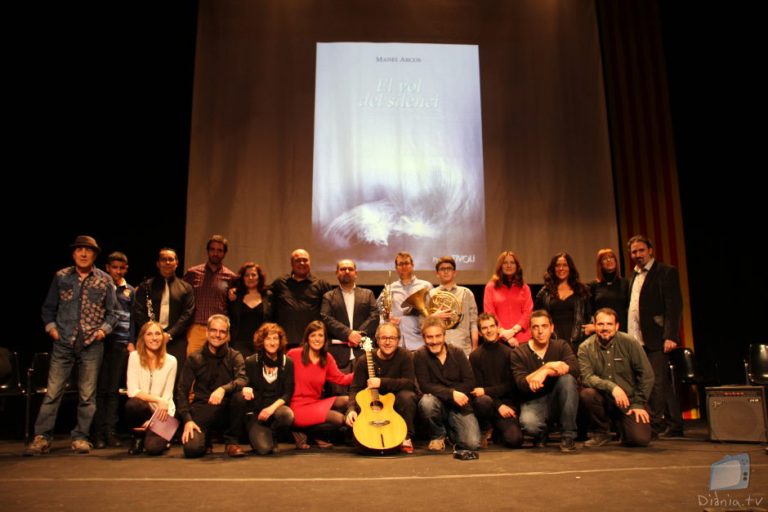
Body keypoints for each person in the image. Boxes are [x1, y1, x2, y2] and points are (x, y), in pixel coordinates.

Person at [26, 235, 119, 456]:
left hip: (91, 343)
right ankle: (42, 437)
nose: (84, 254)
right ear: (73, 253)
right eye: (80, 250)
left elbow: (114, 313)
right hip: (64, 342)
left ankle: (80, 437)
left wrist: (101, 332)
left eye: (88, 250)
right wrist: (52, 329)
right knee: (53, 392)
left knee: (87, 394)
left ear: (95, 255)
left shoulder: (104, 280)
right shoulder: (61, 277)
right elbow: (48, 308)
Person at [627, 234, 684, 437]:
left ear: (650, 250)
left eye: (641, 250)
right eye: (634, 252)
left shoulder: (666, 272)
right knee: (662, 382)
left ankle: (654, 425)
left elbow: (674, 306)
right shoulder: (633, 275)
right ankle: (675, 423)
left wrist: (671, 336)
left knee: (656, 381)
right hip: (637, 337)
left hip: (658, 337)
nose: (638, 255)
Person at [578, 308, 654, 447]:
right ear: (594, 325)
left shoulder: (629, 342)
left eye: (609, 324)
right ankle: (601, 432)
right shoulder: (585, 347)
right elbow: (587, 378)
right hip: (603, 400)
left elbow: (647, 375)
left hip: (629, 401)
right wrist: (612, 387)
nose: (605, 328)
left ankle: (622, 427)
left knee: (639, 439)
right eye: (600, 324)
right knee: (587, 394)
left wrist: (638, 403)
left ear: (617, 326)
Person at [177, 314, 247, 458]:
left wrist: (223, 389)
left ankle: (231, 442)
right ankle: (206, 439)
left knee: (240, 396)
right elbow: (182, 391)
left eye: (222, 331)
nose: (217, 335)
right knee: (192, 450)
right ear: (207, 332)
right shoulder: (194, 358)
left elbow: (242, 379)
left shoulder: (235, 356)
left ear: (227, 335)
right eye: (214, 330)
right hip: (203, 408)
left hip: (227, 409)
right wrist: (188, 420)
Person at [510, 310, 580, 452]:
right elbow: (521, 384)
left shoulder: (561, 346)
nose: (540, 331)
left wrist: (547, 372)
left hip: (558, 399)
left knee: (567, 380)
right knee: (530, 424)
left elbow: (574, 369)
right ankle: (542, 432)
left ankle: (568, 436)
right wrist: (547, 366)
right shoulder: (519, 352)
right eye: (535, 327)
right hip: (533, 401)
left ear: (551, 328)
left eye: (544, 326)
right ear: (530, 329)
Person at [345, 323, 418, 453]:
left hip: (395, 406)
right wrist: (350, 409)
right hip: (370, 408)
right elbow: (355, 388)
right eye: (384, 338)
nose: (388, 342)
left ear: (398, 340)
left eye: (392, 338)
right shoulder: (363, 360)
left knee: (408, 396)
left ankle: (406, 437)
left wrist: (381, 382)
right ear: (377, 340)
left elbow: (409, 383)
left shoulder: (406, 356)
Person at [415, 317, 481, 452]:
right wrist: (451, 394)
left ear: (444, 336)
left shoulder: (458, 352)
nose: (434, 341)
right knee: (427, 402)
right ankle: (438, 435)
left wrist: (453, 395)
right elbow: (425, 386)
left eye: (438, 336)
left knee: (472, 444)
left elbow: (469, 382)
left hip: (459, 406)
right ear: (423, 338)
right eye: (429, 337)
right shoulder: (419, 356)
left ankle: (450, 432)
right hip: (436, 404)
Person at [287, 321, 353, 448]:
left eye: (320, 335)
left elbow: (342, 379)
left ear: (325, 339)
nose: (317, 339)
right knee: (339, 419)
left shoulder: (327, 358)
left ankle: (308, 433)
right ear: (307, 338)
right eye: (313, 335)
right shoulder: (294, 354)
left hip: (315, 403)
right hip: (297, 406)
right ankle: (304, 431)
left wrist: (361, 372)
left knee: (348, 400)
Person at [231, 323, 295, 455]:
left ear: (280, 341)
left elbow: (287, 393)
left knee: (287, 415)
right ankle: (260, 435)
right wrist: (245, 389)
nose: (272, 343)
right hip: (256, 413)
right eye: (268, 339)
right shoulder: (251, 361)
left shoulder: (287, 362)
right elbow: (243, 383)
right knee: (264, 449)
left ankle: (273, 434)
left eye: (275, 339)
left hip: (275, 410)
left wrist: (271, 409)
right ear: (262, 341)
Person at [94, 251, 135, 449]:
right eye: (114, 268)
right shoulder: (100, 287)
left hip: (121, 343)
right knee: (99, 389)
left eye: (121, 268)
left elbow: (133, 318)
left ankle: (110, 431)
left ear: (126, 269)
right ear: (107, 268)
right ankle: (97, 432)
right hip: (101, 342)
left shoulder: (130, 291)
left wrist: (131, 341)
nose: (117, 271)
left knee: (113, 390)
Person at [133, 248, 195, 379]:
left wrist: (169, 335)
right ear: (158, 263)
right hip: (149, 338)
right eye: (163, 259)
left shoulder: (186, 288)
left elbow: (187, 314)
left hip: (175, 339)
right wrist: (152, 333)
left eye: (171, 259)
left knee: (175, 377)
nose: (167, 262)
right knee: (147, 375)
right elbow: (138, 311)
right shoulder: (146, 286)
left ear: (176, 263)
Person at [321, 259, 379, 385]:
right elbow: (326, 318)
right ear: (337, 273)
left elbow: (375, 316)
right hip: (338, 353)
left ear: (356, 273)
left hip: (364, 351)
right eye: (342, 269)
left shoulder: (368, 294)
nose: (347, 271)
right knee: (339, 394)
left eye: (350, 269)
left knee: (366, 393)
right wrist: (348, 334)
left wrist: (358, 336)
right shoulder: (328, 296)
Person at [470, 313, 523, 448]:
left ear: (498, 328)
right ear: (480, 333)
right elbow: (478, 389)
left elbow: (511, 385)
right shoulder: (475, 356)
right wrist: (497, 405)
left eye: (492, 326)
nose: (489, 330)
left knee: (515, 440)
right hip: (487, 406)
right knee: (483, 400)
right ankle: (486, 427)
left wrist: (501, 404)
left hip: (506, 405)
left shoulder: (509, 353)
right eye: (484, 328)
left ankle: (498, 430)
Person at [124, 320, 178, 455]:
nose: (154, 338)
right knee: (133, 404)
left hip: (162, 413)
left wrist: (153, 421)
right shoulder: (134, 357)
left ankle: (159, 436)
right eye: (149, 334)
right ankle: (138, 437)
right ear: (143, 338)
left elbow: (167, 396)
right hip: (144, 410)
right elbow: (132, 391)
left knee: (154, 448)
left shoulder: (171, 361)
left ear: (163, 336)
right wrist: (157, 400)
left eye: (157, 334)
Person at [183, 235, 237, 356]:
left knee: (219, 367)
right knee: (194, 365)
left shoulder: (231, 277)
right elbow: (182, 296)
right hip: (197, 327)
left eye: (219, 250)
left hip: (220, 331)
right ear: (208, 251)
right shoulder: (193, 273)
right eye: (212, 249)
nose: (215, 253)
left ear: (224, 253)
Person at [270, 249, 333, 347]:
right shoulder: (279, 284)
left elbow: (328, 315)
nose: (302, 263)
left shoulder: (321, 285)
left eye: (305, 260)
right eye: (298, 260)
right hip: (285, 342)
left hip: (312, 342)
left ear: (310, 262)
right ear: (291, 263)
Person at [535, 252, 591, 351]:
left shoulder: (582, 290)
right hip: (552, 343)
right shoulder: (545, 292)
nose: (561, 268)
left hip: (578, 343)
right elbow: (536, 317)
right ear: (553, 268)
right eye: (558, 265)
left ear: (570, 268)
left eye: (565, 265)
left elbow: (590, 315)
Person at [380, 251, 433, 351]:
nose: (404, 266)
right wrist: (387, 321)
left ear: (412, 265)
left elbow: (432, 310)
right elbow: (380, 313)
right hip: (397, 342)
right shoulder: (389, 288)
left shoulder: (426, 286)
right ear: (396, 268)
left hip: (420, 341)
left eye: (406, 263)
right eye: (400, 264)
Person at [427, 256, 478, 357]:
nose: (446, 271)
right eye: (442, 269)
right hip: (438, 348)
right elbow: (423, 324)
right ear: (437, 274)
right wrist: (434, 317)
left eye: (449, 268)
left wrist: (475, 348)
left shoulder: (466, 293)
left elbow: (473, 323)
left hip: (463, 348)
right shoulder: (430, 294)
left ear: (455, 272)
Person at [483, 251, 533, 346]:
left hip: (522, 339)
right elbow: (490, 313)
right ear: (500, 266)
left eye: (512, 262)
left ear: (517, 266)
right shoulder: (490, 287)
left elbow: (528, 312)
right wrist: (504, 334)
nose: (508, 265)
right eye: (505, 263)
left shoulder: (524, 287)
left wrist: (513, 331)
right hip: (499, 339)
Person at [228, 262, 270, 357]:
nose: (250, 278)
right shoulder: (235, 296)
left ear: (259, 277)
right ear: (242, 278)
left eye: (253, 275)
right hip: (238, 344)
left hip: (262, 344)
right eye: (247, 275)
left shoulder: (268, 295)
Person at [589, 248, 629, 332]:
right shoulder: (594, 286)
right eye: (604, 258)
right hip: (602, 330)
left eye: (611, 257)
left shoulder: (625, 283)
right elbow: (590, 311)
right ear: (600, 264)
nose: (609, 260)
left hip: (622, 329)